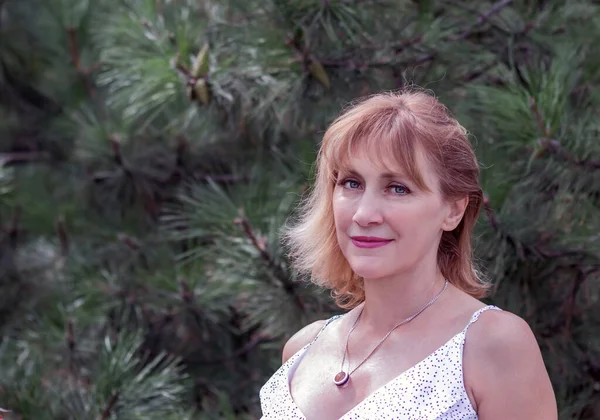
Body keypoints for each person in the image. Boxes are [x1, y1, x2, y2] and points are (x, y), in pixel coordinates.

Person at [259, 90, 557, 419]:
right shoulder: (303, 349)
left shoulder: (492, 345)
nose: (364, 214)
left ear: (453, 210)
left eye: (398, 188)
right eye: (351, 183)